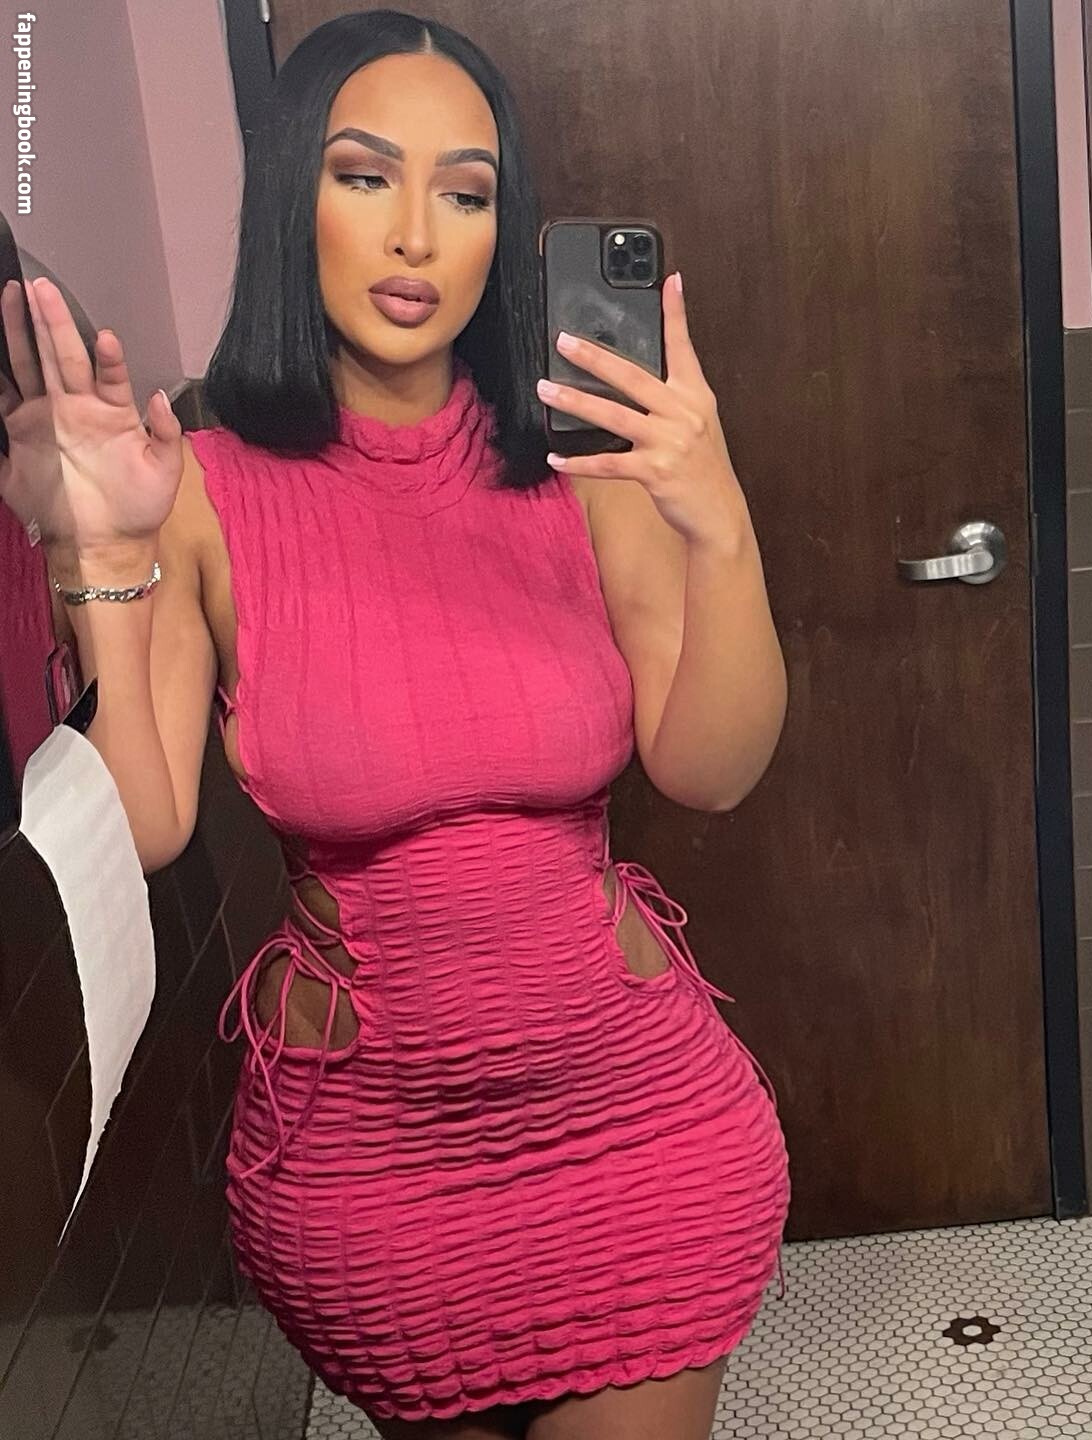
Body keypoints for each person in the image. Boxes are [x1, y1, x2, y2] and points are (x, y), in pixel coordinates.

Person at [0, 11, 789, 1438]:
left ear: (503, 231)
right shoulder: (198, 486)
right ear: (290, 196)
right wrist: (100, 553)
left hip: (636, 1129)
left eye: (466, 193)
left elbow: (713, 769)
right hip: (369, 1175)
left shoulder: (588, 468)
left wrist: (719, 520)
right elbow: (145, 821)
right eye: (365, 176)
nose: (417, 233)